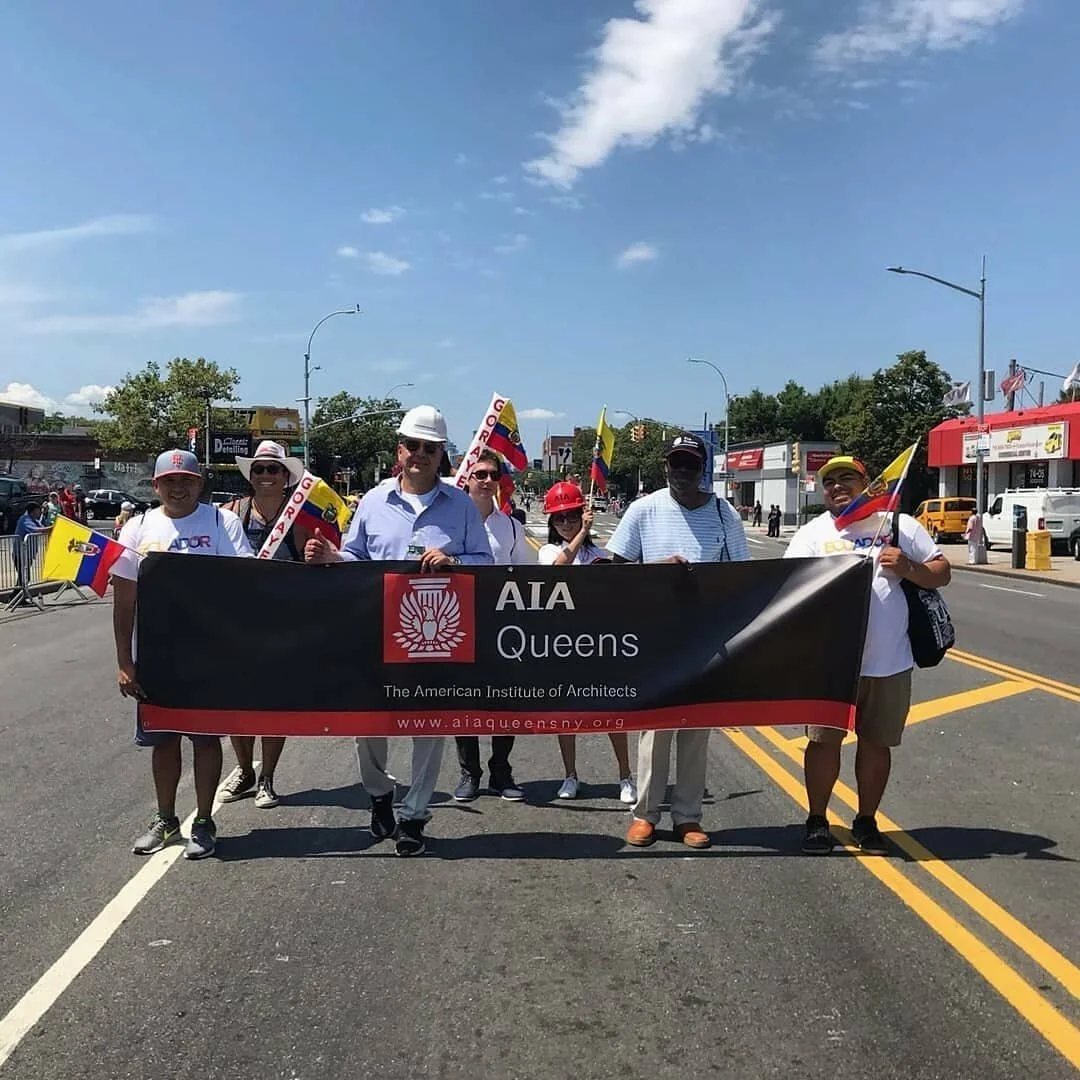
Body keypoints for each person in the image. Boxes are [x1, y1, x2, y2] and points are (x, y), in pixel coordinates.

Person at [306, 405, 493, 857]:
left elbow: (487, 564)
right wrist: (331, 558)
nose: (421, 455)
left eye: (431, 449)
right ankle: (378, 794)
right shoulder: (371, 502)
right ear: (400, 450)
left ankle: (414, 816)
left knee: (429, 727)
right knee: (368, 725)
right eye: (414, 446)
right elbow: (354, 559)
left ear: (441, 455)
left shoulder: (462, 506)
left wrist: (455, 562)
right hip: (375, 629)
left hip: (436, 635)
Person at [784, 455, 950, 855]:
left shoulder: (897, 525)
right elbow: (786, 590)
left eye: (847, 479)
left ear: (866, 484)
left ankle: (866, 821)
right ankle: (818, 821)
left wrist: (908, 566)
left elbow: (941, 571)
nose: (838, 487)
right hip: (830, 663)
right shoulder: (812, 533)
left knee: (876, 745)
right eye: (830, 482)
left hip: (888, 662)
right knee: (823, 743)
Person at [607, 432, 751, 850]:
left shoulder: (726, 515)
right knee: (655, 731)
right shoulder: (643, 510)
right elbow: (613, 572)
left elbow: (741, 578)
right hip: (657, 638)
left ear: (702, 469)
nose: (683, 472)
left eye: (691, 464)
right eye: (676, 464)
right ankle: (645, 815)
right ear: (664, 467)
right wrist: (656, 569)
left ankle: (688, 816)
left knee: (696, 733)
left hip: (706, 640)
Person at [111, 450, 252, 860]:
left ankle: (204, 820)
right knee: (163, 741)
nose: (178, 487)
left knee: (206, 741)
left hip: (208, 656)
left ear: (200, 482)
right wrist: (124, 661)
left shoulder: (220, 522)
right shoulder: (137, 528)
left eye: (186, 479)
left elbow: (242, 582)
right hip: (156, 658)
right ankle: (166, 819)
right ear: (156, 486)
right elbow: (123, 604)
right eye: (169, 480)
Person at [217, 440, 311, 810]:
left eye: (274, 469)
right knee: (235, 703)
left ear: (286, 476)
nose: (267, 475)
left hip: (280, 623)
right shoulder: (230, 513)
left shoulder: (300, 516)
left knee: (273, 703)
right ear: (250, 475)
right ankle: (244, 770)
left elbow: (309, 566)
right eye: (259, 469)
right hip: (236, 622)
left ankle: (268, 777)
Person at [538, 480, 637, 804]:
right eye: (559, 517)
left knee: (610, 713)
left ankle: (625, 776)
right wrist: (583, 534)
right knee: (565, 716)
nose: (566, 522)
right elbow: (557, 569)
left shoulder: (599, 555)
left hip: (598, 645)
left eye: (571, 515)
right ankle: (570, 775)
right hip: (562, 646)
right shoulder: (548, 550)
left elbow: (625, 581)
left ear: (582, 514)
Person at [454, 449, 531, 803]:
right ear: (466, 478)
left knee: (506, 704)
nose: (487, 481)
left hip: (502, 629)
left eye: (493, 475)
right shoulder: (450, 522)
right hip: (457, 624)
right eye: (480, 474)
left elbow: (525, 580)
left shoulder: (512, 527)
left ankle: (502, 770)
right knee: (464, 702)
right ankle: (469, 772)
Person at [12, 502, 47, 603]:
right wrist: (52, 528)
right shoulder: (25, 519)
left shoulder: (34, 519)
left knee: (24, 578)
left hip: (27, 555)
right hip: (20, 554)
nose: (40, 512)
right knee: (24, 577)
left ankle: (16, 598)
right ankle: (16, 598)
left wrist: (45, 516)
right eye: (38, 510)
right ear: (33, 511)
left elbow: (43, 525)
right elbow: (36, 530)